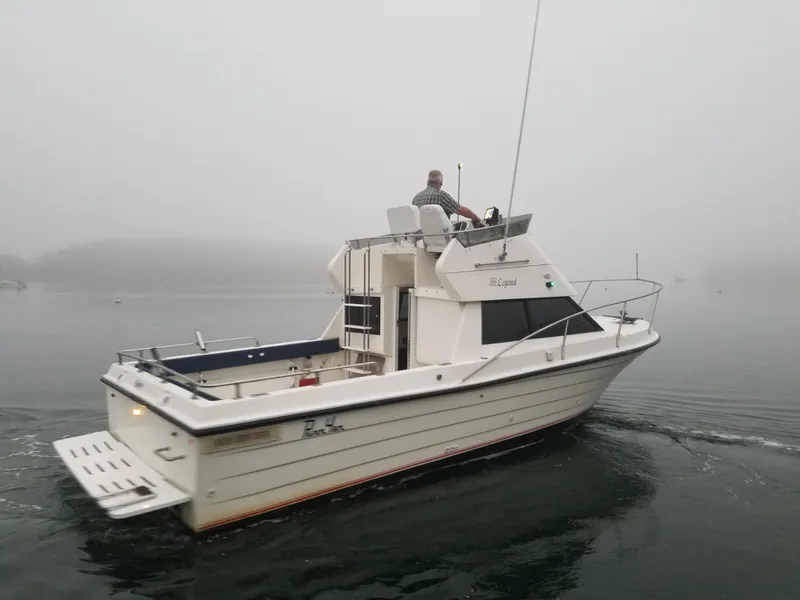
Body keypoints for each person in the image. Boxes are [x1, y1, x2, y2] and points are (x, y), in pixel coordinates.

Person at [412, 170, 483, 226]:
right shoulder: (440, 195)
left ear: (427, 182)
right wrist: (475, 217)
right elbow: (461, 210)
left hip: (422, 239)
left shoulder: (415, 198)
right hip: (441, 237)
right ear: (441, 182)